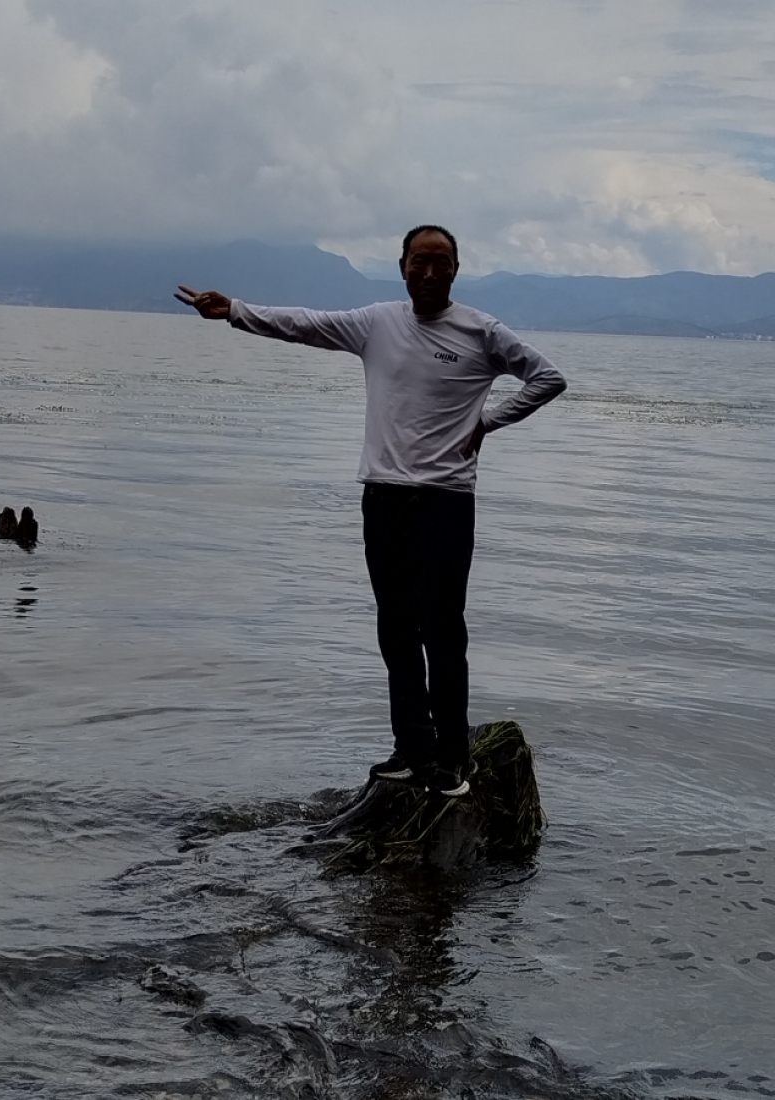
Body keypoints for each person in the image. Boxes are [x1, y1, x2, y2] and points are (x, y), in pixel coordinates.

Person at [175, 225, 566, 797]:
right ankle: (412, 749)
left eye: (440, 262)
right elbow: (305, 324)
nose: (428, 272)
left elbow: (548, 378)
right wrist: (235, 310)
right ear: (402, 266)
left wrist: (487, 422)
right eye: (418, 261)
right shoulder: (377, 322)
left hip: (445, 502)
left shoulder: (481, 331)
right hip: (382, 499)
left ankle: (452, 759)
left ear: (455, 269)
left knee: (442, 632)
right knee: (395, 630)